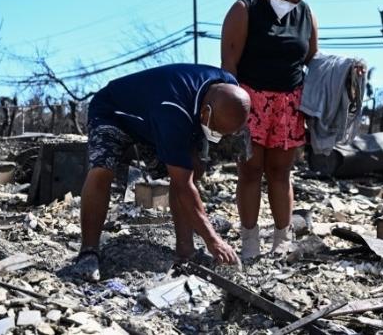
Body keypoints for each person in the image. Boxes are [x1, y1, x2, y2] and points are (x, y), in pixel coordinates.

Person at [72, 63, 250, 281]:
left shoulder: (228, 87)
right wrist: (214, 240)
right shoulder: (173, 111)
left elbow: (186, 176)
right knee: (102, 169)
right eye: (216, 130)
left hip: (153, 115)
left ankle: (186, 251)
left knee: (192, 168)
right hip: (113, 112)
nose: (218, 136)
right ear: (206, 112)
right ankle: (88, 252)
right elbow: (183, 185)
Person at [220, 0, 321, 259]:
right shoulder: (244, 9)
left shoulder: (306, 15)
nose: (290, 4)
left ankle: (282, 239)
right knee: (250, 171)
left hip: (289, 103)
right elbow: (229, 63)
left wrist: (348, 69)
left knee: (280, 172)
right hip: (250, 100)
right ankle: (250, 241)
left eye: (296, 0)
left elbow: (312, 59)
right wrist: (232, 109)